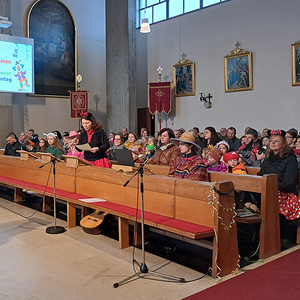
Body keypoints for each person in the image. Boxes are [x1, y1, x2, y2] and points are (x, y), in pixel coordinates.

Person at [258, 129, 299, 220]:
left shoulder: (290, 160)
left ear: (283, 143)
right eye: (271, 141)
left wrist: (269, 184)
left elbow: (289, 184)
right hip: (268, 191)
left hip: (285, 195)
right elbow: (261, 174)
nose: (273, 143)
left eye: (276, 141)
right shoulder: (268, 158)